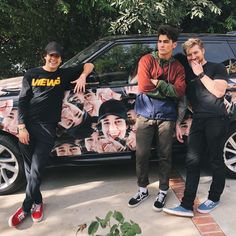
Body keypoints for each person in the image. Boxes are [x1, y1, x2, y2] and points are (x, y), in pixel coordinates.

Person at [8, 41, 94, 227]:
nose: (53, 59)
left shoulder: (63, 74)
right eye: (51, 55)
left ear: (60, 59)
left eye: (57, 56)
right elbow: (22, 101)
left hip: (47, 127)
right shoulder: (31, 74)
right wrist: (21, 127)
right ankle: (38, 202)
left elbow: (89, 64)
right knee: (31, 170)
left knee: (37, 169)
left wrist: (82, 77)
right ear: (44, 56)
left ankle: (24, 208)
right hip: (28, 126)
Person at [163, 38, 230, 217]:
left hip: (217, 119)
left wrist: (200, 74)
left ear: (203, 51)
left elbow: (219, 92)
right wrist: (179, 122)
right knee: (192, 161)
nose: (193, 57)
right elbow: (187, 103)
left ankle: (214, 198)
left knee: (215, 160)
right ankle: (186, 205)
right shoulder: (188, 75)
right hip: (199, 120)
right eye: (190, 54)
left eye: (196, 53)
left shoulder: (217, 68)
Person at [128, 25, 186, 211]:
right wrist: (167, 90)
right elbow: (144, 86)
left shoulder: (177, 67)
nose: (161, 45)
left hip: (167, 117)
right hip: (144, 115)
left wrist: (159, 83)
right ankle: (142, 189)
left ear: (174, 44)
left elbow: (179, 92)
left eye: (166, 42)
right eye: (159, 41)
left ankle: (162, 191)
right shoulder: (146, 60)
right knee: (142, 154)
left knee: (165, 156)